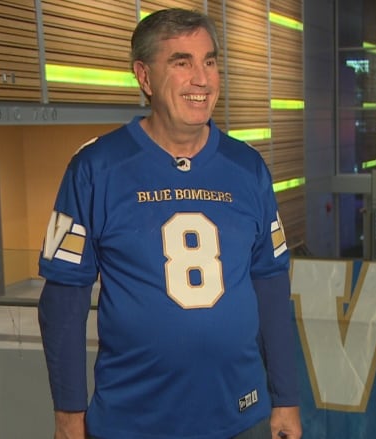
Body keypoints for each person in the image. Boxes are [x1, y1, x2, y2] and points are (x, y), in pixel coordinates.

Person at [37, 8, 302, 439]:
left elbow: (271, 288)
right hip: (132, 422)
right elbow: (62, 301)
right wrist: (68, 413)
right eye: (182, 62)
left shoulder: (247, 167)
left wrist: (286, 399)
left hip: (241, 416)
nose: (202, 79)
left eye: (210, 61)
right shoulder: (95, 169)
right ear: (144, 77)